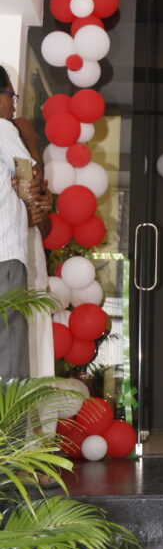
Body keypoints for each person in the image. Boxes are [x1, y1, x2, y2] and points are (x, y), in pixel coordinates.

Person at [0, 67, 47, 380]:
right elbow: (27, 172)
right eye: (11, 96)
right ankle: (10, 416)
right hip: (4, 255)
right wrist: (33, 196)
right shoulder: (2, 128)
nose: (14, 105)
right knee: (10, 350)